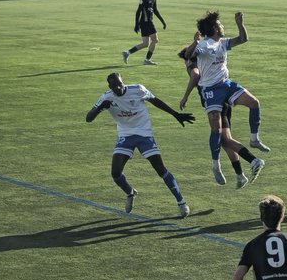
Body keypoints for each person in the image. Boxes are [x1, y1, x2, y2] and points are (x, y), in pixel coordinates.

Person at [86, 72, 195, 217]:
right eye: (114, 86)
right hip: (125, 135)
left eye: (120, 84)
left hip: (144, 134)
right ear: (109, 86)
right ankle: (130, 193)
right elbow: (88, 118)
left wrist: (176, 114)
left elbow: (156, 101)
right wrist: (100, 108)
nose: (118, 87)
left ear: (123, 82)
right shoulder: (106, 97)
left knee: (160, 169)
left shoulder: (138, 90)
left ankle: (181, 202)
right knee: (115, 173)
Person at [187, 11, 268, 185]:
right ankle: (216, 165)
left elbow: (242, 39)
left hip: (227, 85)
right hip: (212, 91)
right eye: (220, 24)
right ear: (214, 28)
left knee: (254, 103)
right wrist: (195, 43)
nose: (223, 26)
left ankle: (254, 140)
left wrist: (240, 23)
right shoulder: (206, 45)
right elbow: (190, 55)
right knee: (218, 133)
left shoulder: (222, 42)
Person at [178, 38, 256, 188]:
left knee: (222, 138)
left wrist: (185, 96)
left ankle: (250, 161)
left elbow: (195, 75)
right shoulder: (206, 57)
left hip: (213, 101)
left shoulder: (192, 64)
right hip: (224, 99)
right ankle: (240, 175)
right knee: (226, 139)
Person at [122, 0, 166, 65]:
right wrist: (136, 24)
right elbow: (138, 11)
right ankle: (147, 60)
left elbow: (155, 10)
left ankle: (127, 52)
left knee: (146, 43)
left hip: (147, 22)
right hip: (146, 22)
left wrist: (162, 21)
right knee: (155, 40)